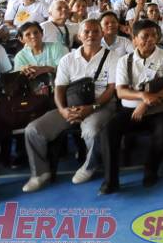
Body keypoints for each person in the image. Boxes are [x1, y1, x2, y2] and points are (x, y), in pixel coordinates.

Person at [22, 19, 118, 192]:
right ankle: (40, 173)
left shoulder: (113, 57)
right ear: (79, 36)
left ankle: (89, 165)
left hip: (101, 106)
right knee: (33, 130)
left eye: (96, 31)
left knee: (92, 130)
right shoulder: (68, 59)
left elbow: (111, 88)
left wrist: (92, 107)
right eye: (86, 32)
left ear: (102, 34)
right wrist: (62, 110)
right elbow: (59, 88)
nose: (91, 35)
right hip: (71, 107)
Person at [99, 19, 163, 194]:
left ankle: (150, 170)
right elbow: (120, 92)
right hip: (130, 110)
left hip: (160, 109)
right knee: (108, 130)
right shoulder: (124, 61)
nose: (150, 39)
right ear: (134, 39)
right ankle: (111, 180)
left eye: (153, 35)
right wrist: (142, 95)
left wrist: (146, 102)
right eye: (145, 36)